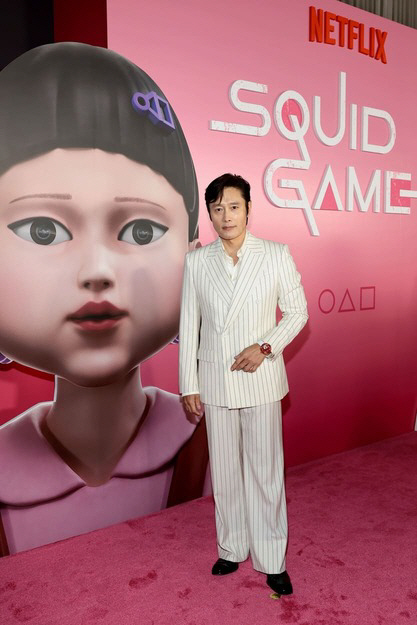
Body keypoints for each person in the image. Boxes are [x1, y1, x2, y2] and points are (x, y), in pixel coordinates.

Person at [0, 42, 200, 555]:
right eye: (42, 231)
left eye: (140, 231)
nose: (97, 271)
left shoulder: (212, 442)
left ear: (196, 255)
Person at [179, 173, 308, 595]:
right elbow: (190, 324)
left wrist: (265, 347)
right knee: (225, 472)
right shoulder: (197, 261)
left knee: (265, 472)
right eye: (217, 208)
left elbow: (297, 312)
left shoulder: (275, 254)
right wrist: (188, 384)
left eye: (234, 206)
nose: (226, 216)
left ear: (248, 209)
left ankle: (272, 558)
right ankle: (231, 548)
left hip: (260, 377)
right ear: (210, 214)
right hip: (215, 378)